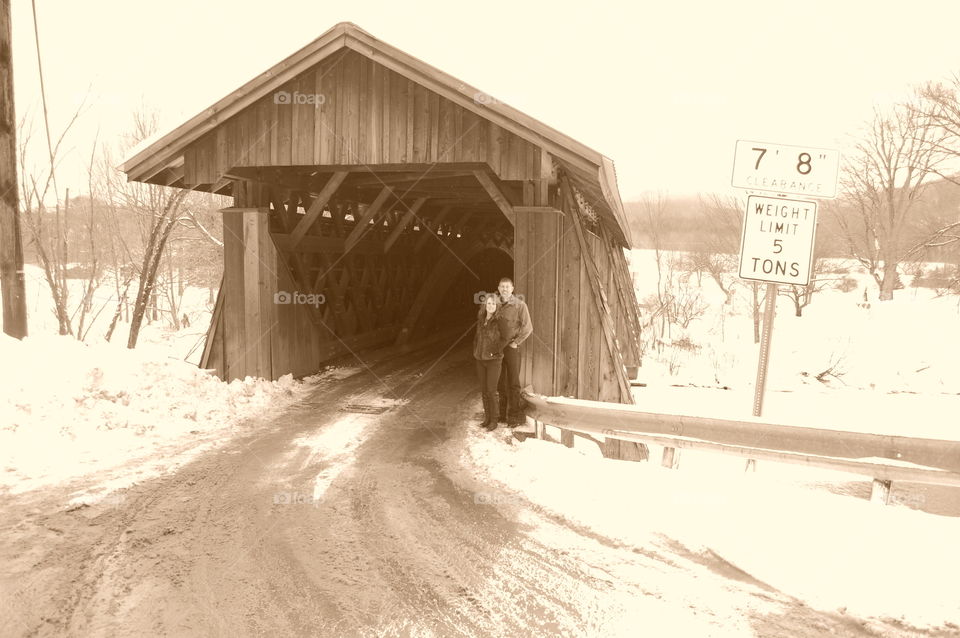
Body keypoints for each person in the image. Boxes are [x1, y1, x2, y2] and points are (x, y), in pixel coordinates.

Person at [496, 277, 532, 426]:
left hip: (512, 349)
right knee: (500, 382)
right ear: (498, 288)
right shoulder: (495, 304)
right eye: (502, 286)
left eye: (507, 287)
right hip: (498, 348)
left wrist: (516, 342)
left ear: (512, 289)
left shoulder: (520, 305)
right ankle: (502, 415)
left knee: (513, 382)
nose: (504, 289)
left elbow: (528, 327)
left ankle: (513, 416)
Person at [473, 293, 509, 431]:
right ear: (485, 305)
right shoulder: (481, 319)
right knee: (484, 390)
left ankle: (494, 420)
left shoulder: (500, 320)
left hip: (494, 360)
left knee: (491, 390)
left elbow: (506, 338)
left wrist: (495, 350)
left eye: (493, 303)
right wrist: (476, 350)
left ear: (497, 305)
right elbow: (477, 337)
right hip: (480, 359)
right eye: (488, 303)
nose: (491, 306)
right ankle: (487, 418)